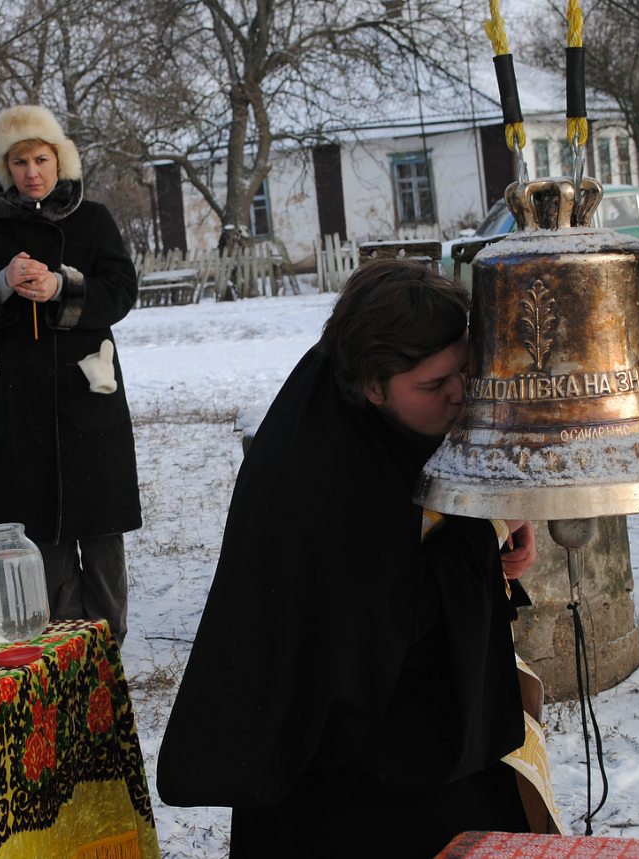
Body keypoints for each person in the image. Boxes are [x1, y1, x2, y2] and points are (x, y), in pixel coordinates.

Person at [156, 259, 553, 855]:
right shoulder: (321, 477)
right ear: (371, 384)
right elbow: (384, 622)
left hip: (398, 731)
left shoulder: (367, 402)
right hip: (351, 770)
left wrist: (495, 513)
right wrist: (482, 534)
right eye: (433, 385)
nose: (458, 396)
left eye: (464, 372)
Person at [0, 104, 140, 646]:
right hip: (21, 399)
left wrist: (64, 289)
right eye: (19, 161)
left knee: (101, 535)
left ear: (59, 159)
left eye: (40, 158)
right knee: (41, 541)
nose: (32, 171)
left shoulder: (94, 219)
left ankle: (107, 646)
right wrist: (2, 281)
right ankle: (65, 651)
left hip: (89, 392)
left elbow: (122, 291)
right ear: (5, 168)